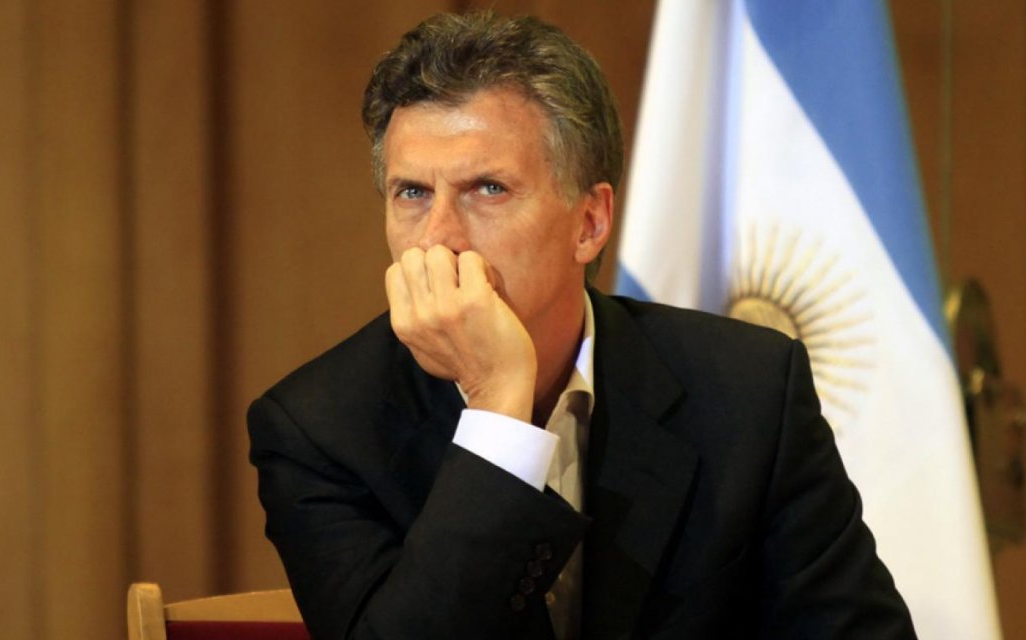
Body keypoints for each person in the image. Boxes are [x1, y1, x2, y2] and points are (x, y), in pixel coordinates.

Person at [248, 11, 916, 640]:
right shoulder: (319, 430)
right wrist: (497, 413)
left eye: (488, 189)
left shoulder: (749, 391)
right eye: (413, 193)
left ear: (590, 223)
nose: (439, 238)